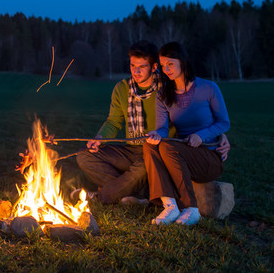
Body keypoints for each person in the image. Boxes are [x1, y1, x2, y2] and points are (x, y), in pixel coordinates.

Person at [73, 41, 229, 206]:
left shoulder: (167, 87)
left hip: (157, 151)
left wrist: (219, 136)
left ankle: (103, 196)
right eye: (133, 65)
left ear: (154, 67)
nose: (136, 71)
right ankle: (136, 194)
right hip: (131, 148)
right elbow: (113, 121)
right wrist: (99, 138)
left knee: (143, 167)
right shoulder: (122, 88)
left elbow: (193, 117)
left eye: (142, 66)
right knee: (84, 156)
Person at [144, 42, 230, 226]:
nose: (166, 69)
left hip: (209, 157)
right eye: (163, 65)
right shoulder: (163, 94)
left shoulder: (208, 88)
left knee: (167, 147)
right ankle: (170, 205)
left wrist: (202, 135)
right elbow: (162, 128)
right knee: (150, 145)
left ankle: (191, 208)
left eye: (170, 64)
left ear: (182, 61)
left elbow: (224, 122)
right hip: (182, 156)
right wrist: (156, 134)